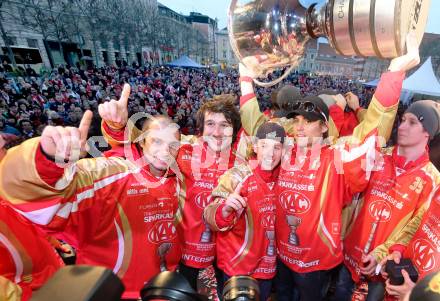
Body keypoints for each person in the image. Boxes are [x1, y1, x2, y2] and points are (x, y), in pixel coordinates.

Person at [239, 32, 421, 301]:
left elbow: (371, 132)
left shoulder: (338, 158)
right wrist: (245, 79)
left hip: (315, 265)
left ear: (324, 126)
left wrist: (393, 74)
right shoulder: (285, 149)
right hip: (281, 255)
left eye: (308, 120)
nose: (299, 126)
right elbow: (256, 127)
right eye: (296, 119)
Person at [0, 100, 182, 299]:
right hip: (110, 292)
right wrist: (49, 160)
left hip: (162, 288)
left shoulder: (180, 176)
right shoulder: (113, 175)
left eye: (173, 145)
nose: (166, 150)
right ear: (141, 142)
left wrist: (116, 129)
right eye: (156, 141)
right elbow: (36, 193)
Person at [100, 90, 244, 294]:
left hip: (225, 253)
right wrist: (116, 126)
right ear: (200, 129)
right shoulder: (181, 151)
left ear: (234, 130)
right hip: (184, 252)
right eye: (211, 124)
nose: (218, 132)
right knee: (181, 295)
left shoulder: (242, 164)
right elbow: (140, 152)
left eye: (225, 125)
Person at [338, 99, 440, 301]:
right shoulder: (377, 158)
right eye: (402, 120)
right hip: (350, 251)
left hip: (385, 265)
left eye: (412, 122)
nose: (401, 127)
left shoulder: (433, 179)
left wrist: (383, 253)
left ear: (427, 132)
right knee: (341, 293)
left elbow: (414, 228)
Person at [204, 122, 286, 301]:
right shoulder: (236, 175)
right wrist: (224, 210)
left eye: (277, 147)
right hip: (237, 267)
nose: (270, 153)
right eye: (264, 145)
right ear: (255, 146)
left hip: (268, 266)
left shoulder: (285, 178)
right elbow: (209, 214)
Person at [0, 134, 64, 301]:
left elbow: (25, 221)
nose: (5, 155)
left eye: (3, 148)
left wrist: (51, 240)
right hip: (33, 292)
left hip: (53, 275)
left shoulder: (8, 185)